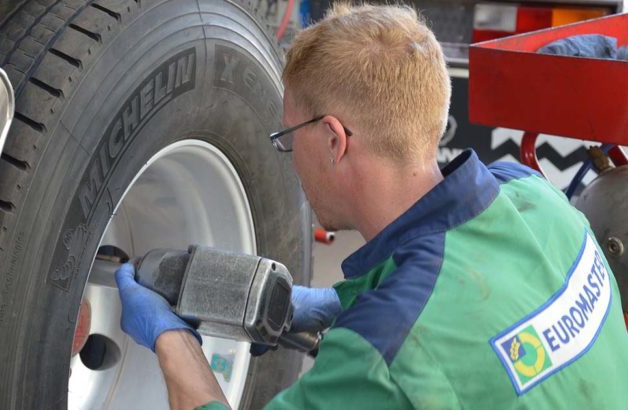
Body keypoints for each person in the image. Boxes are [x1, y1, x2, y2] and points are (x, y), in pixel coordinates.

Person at [115, 3, 628, 409]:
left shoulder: (379, 354)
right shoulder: (537, 195)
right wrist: (336, 302)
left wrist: (171, 341)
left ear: (334, 139)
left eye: (289, 138)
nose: (290, 158)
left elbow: (416, 331)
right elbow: (472, 282)